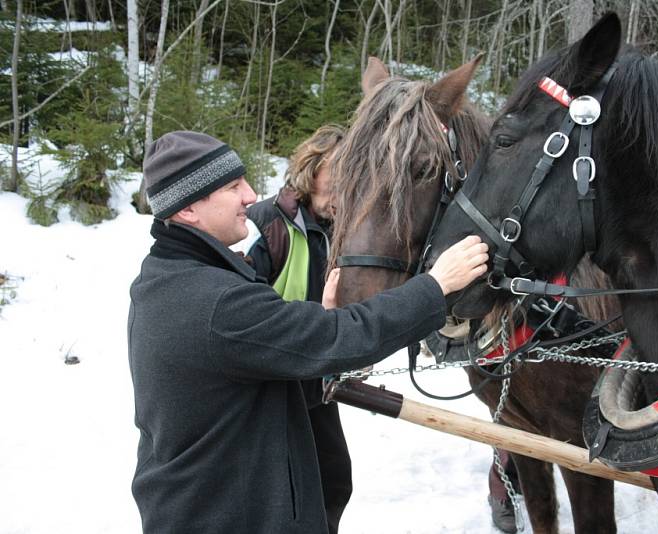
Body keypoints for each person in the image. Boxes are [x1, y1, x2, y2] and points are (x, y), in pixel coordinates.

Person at [127, 130, 489, 534]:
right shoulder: (213, 301)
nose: (250, 195)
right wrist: (436, 286)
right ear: (189, 209)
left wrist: (316, 345)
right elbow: (343, 336)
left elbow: (239, 384)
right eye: (232, 187)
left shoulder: (167, 277)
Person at [246, 124, 350, 533]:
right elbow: (239, 307)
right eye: (335, 175)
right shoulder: (265, 223)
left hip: (316, 380)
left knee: (334, 481)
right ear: (310, 171)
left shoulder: (342, 228)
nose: (343, 188)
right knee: (283, 497)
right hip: (269, 384)